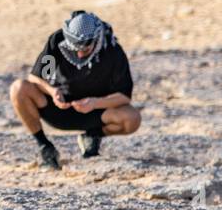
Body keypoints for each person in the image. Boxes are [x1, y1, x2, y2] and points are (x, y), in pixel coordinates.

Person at [9, 10, 142, 170]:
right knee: (19, 88)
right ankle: (45, 147)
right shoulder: (57, 41)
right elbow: (38, 78)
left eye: (85, 50)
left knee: (132, 118)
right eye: (74, 49)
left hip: (95, 112)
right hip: (58, 107)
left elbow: (124, 96)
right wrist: (52, 91)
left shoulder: (112, 52)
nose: (79, 54)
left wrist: (95, 103)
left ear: (96, 40)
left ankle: (92, 135)